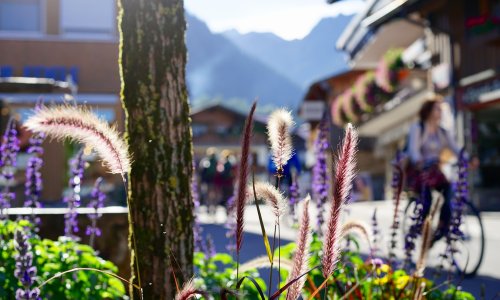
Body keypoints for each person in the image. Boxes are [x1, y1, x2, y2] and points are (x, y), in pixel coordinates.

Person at [406, 96, 477, 239]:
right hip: (420, 170)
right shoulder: (418, 128)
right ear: (429, 110)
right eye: (437, 108)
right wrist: (419, 160)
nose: (440, 111)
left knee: (449, 192)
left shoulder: (443, 132)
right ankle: (421, 229)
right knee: (427, 200)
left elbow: (456, 148)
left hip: (435, 170)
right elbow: (413, 150)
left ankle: (442, 227)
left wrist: (468, 159)